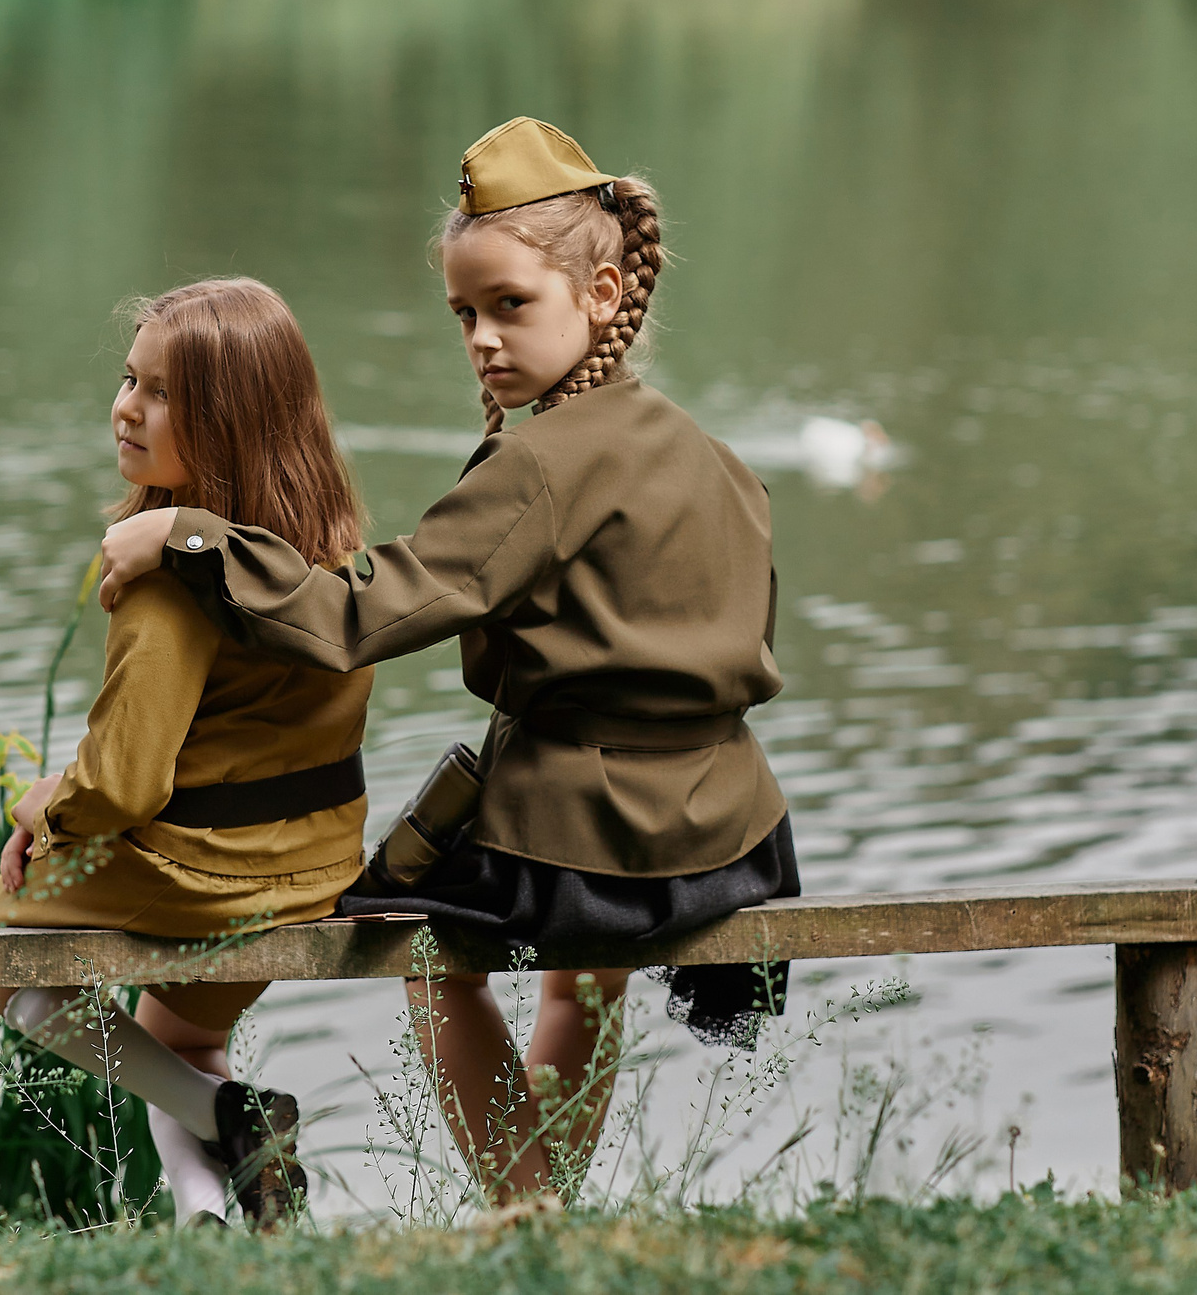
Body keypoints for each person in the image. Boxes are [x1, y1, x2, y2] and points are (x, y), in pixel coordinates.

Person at [96, 118, 797, 1203]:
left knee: (421, 955)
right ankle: (543, 1209)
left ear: (603, 294)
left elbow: (355, 617)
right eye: (465, 313)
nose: (482, 338)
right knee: (582, 983)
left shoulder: (540, 464)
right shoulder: (714, 456)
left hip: (593, 838)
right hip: (735, 832)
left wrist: (189, 536)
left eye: (509, 305)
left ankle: (525, 1207)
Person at [0, 277, 372, 1227]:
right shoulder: (332, 557)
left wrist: (47, 811)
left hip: (207, 873)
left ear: (231, 421)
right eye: (128, 379)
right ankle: (208, 1218)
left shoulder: (167, 582)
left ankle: (226, 1111)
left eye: (161, 394)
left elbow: (123, 786)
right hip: (317, 868)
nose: (126, 408)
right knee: (175, 1028)